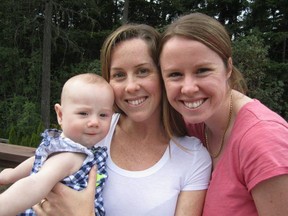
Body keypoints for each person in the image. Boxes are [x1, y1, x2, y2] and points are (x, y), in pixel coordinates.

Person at [32, 24, 212, 216]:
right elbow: (41, 187)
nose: (131, 87)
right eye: (119, 75)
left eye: (142, 71)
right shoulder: (93, 131)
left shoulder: (192, 157)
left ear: (163, 75)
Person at [159, 12, 288, 215]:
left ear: (228, 68)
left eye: (202, 70)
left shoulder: (263, 140)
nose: (188, 88)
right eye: (175, 74)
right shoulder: (192, 124)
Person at [0, 73, 114, 216]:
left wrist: (10, 175)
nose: (94, 122)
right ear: (60, 115)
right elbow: (34, 183)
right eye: (83, 113)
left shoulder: (70, 152)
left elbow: (37, 169)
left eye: (103, 115)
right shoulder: (69, 155)